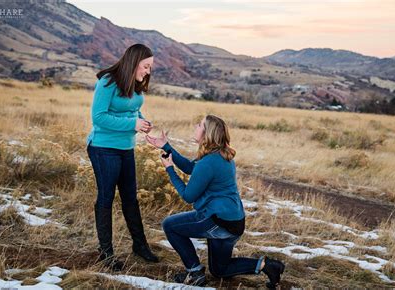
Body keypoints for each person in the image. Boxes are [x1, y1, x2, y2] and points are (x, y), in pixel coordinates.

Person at [146, 115, 285, 289]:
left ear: (207, 133)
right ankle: (268, 266)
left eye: (199, 125)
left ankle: (194, 272)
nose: (195, 126)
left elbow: (188, 196)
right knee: (220, 269)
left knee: (170, 225)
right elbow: (191, 168)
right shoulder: (219, 154)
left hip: (218, 221)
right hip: (233, 221)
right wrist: (165, 146)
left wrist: (170, 170)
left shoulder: (209, 161)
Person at [86, 43, 159, 271]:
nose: (148, 71)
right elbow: (99, 117)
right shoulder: (107, 81)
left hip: (126, 148)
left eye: (150, 67)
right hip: (103, 147)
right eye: (145, 66)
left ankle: (140, 246)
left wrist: (142, 122)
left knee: (130, 199)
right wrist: (132, 124)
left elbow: (132, 110)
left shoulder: (134, 84)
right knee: (106, 198)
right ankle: (106, 253)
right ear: (134, 61)